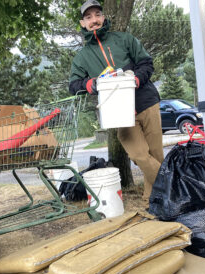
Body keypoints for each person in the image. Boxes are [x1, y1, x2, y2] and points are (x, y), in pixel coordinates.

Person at [69, 1, 164, 201]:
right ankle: (174, 185)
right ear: (83, 23)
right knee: (139, 155)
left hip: (146, 102)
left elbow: (146, 63)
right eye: (88, 17)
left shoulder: (124, 40)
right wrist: (90, 85)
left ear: (103, 17)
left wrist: (135, 79)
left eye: (97, 15)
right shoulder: (82, 57)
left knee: (155, 155)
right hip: (118, 113)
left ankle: (152, 202)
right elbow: (74, 84)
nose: (94, 20)